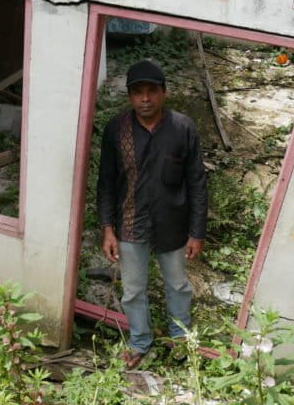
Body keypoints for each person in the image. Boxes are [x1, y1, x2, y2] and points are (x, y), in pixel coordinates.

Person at [97, 58, 208, 369]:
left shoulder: (182, 128)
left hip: (172, 225)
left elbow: (197, 182)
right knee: (133, 290)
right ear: (130, 96)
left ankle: (180, 338)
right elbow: (105, 182)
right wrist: (107, 228)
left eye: (151, 91)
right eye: (137, 92)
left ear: (164, 93)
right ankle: (140, 341)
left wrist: (197, 232)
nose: (145, 98)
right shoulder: (116, 130)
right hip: (130, 225)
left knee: (178, 285)